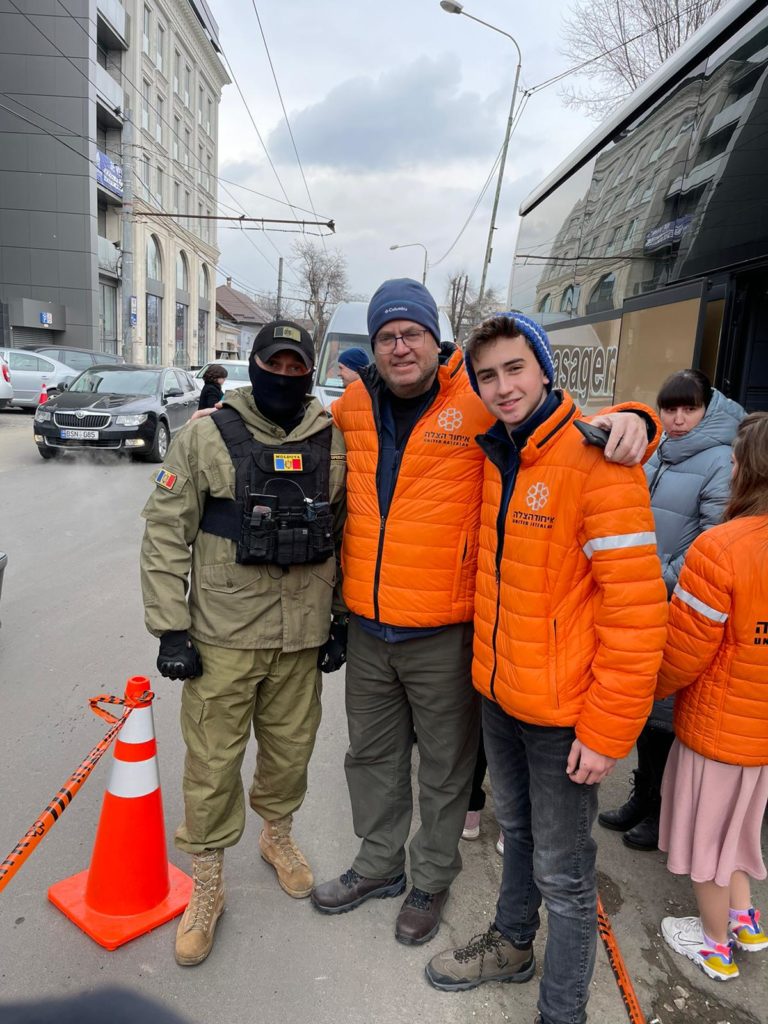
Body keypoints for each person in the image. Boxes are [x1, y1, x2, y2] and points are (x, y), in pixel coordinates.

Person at [310, 279, 655, 948]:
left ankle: (430, 877)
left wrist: (635, 417)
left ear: (434, 340)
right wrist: (224, 414)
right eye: (387, 336)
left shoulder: (476, 400)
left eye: (412, 332)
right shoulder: (352, 406)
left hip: (445, 630)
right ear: (373, 346)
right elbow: (292, 426)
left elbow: (562, 422)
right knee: (372, 756)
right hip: (370, 631)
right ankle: (378, 864)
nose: (400, 346)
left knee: (444, 767)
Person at [424, 314, 668, 1024]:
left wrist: (606, 728)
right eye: (489, 374)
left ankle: (561, 1013)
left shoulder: (599, 463)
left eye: (515, 369)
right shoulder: (501, 455)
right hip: (504, 695)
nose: (502, 387)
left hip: (566, 718)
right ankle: (511, 943)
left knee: (565, 874)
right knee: (520, 838)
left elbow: (636, 613)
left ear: (545, 369)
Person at [140, 320, 346, 967]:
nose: (284, 377)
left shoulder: (333, 437)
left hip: (301, 636)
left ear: (309, 372)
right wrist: (172, 627)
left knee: (290, 754)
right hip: (223, 636)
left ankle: (276, 836)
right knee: (212, 765)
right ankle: (207, 883)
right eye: (274, 365)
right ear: (252, 365)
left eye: (296, 368)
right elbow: (165, 535)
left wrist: (338, 618)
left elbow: (349, 533)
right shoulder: (206, 434)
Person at [599, 369, 745, 850]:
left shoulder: (721, 460)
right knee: (645, 706)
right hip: (644, 597)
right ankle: (644, 796)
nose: (678, 419)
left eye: (689, 409)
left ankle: (661, 810)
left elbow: (712, 540)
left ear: (708, 409)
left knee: (666, 713)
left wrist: (653, 572)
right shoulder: (658, 450)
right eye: (670, 409)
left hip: (680, 600)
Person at [656, 411, 768, 981]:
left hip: (717, 728)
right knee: (740, 831)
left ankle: (715, 944)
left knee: (707, 842)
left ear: (748, 468)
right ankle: (747, 921)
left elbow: (682, 652)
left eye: (732, 458)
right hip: (761, 736)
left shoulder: (720, 548)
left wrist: (640, 693)